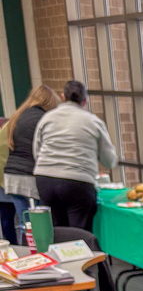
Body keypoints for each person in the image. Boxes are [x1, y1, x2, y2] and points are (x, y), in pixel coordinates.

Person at [33, 79, 117, 231]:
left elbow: (36, 152)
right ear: (85, 101)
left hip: (45, 180)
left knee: (57, 231)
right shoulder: (93, 122)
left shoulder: (47, 118)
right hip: (78, 182)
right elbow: (109, 161)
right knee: (80, 234)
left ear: (62, 97)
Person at [0, 84, 59, 243]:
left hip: (10, 175)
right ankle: (43, 253)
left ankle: (24, 255)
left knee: (24, 222)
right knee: (41, 222)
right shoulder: (41, 119)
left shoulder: (18, 116)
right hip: (26, 175)